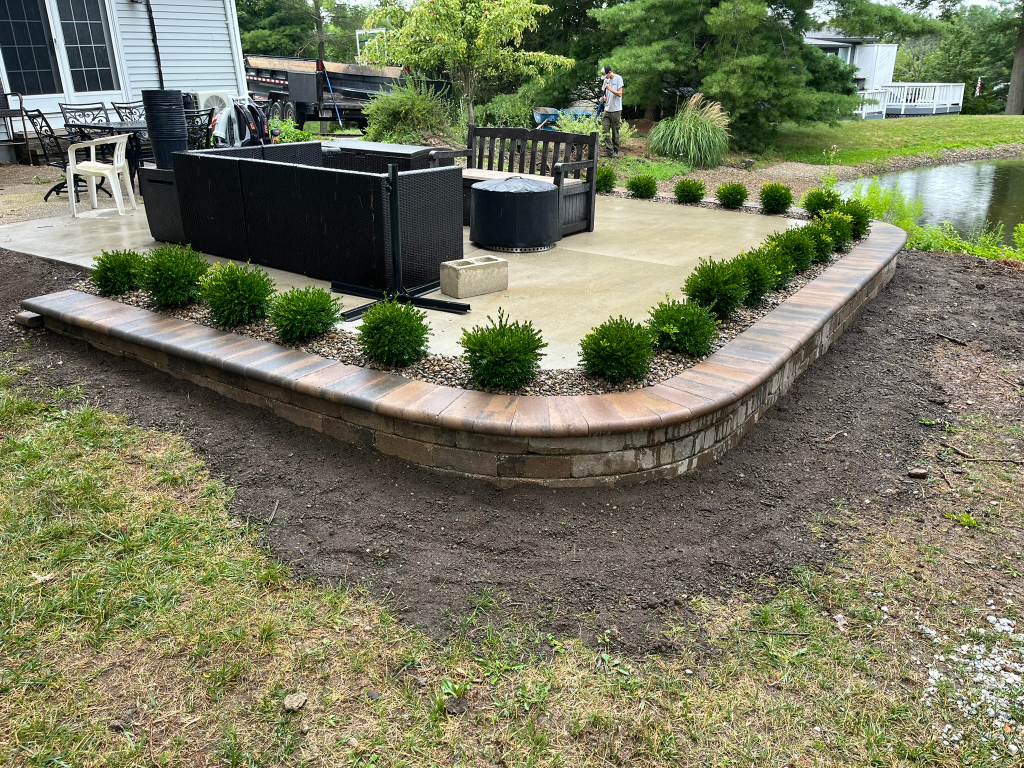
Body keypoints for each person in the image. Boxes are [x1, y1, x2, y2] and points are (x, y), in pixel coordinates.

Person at [599, 65, 624, 158]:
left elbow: (619, 94)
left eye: (606, 75)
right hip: (607, 109)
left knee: (615, 131)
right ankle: (609, 151)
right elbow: (605, 96)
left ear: (609, 72)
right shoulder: (606, 80)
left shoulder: (618, 79)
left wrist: (610, 88)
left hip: (616, 110)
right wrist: (602, 99)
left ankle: (616, 151)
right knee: (605, 130)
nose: (605, 78)